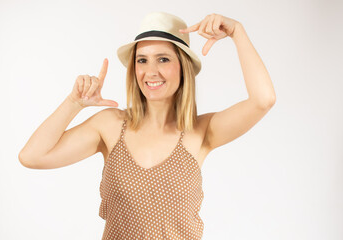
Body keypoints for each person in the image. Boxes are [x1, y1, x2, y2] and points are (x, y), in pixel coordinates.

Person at [18, 11, 276, 240]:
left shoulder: (201, 131)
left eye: (163, 59)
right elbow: (32, 156)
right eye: (142, 60)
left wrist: (236, 31)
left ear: (183, 67)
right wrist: (73, 103)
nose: (150, 71)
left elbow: (263, 100)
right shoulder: (110, 125)